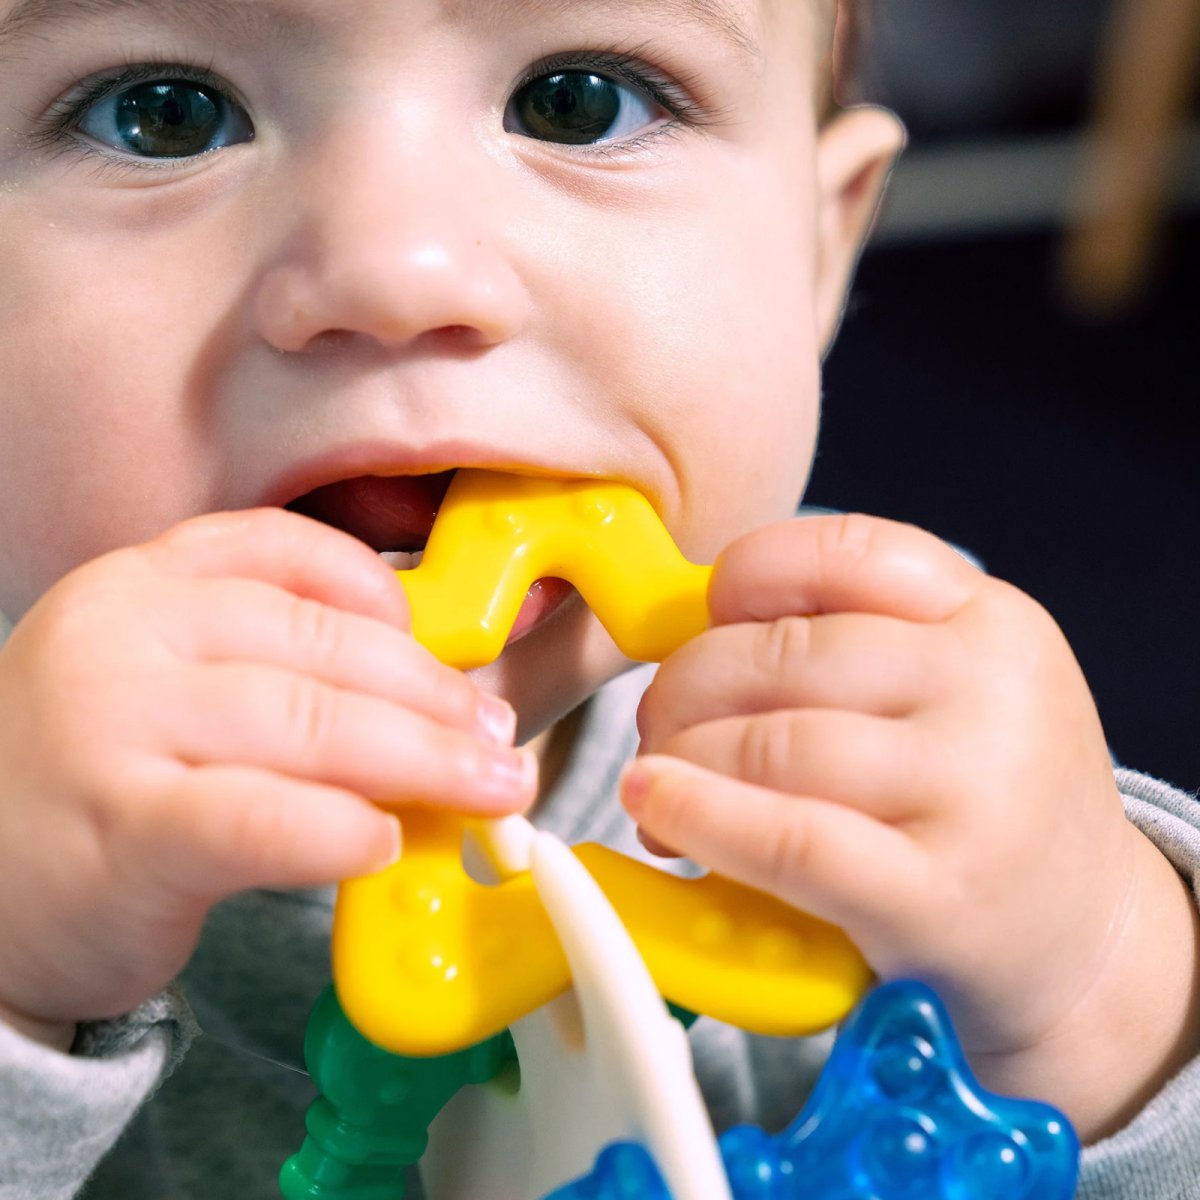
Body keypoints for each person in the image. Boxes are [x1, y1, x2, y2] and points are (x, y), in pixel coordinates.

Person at [0, 0, 1197, 1196]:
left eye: (577, 100)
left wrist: (1100, 990)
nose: (397, 271)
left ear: (819, 249)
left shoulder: (904, 715)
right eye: (163, 115)